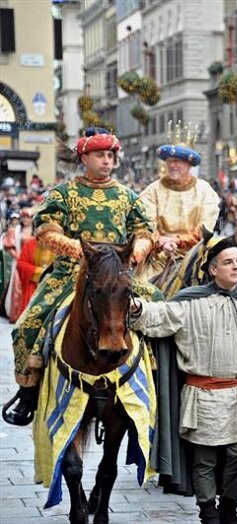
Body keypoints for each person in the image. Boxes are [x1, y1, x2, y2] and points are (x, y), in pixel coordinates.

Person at [4, 128, 158, 427]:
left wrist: (133, 253)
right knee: (27, 324)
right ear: (84, 157)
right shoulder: (63, 194)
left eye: (111, 155)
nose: (107, 161)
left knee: (159, 310)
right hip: (71, 273)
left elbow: (145, 232)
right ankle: (28, 391)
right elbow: (46, 229)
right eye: (100, 155)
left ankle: (155, 379)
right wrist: (83, 252)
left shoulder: (128, 197)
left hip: (116, 274)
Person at [130, 235, 237, 524]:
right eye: (229, 262)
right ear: (213, 269)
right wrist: (136, 308)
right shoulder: (189, 303)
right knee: (204, 459)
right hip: (201, 395)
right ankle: (208, 511)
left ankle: (228, 504)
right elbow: (158, 316)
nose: (236, 267)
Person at [136, 125, 221, 282]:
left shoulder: (204, 191)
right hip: (158, 256)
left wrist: (177, 241)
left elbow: (205, 229)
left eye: (178, 161)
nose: (173, 165)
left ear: (189, 164)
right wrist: (160, 241)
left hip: (195, 257)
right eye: (170, 161)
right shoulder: (153, 190)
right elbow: (144, 225)